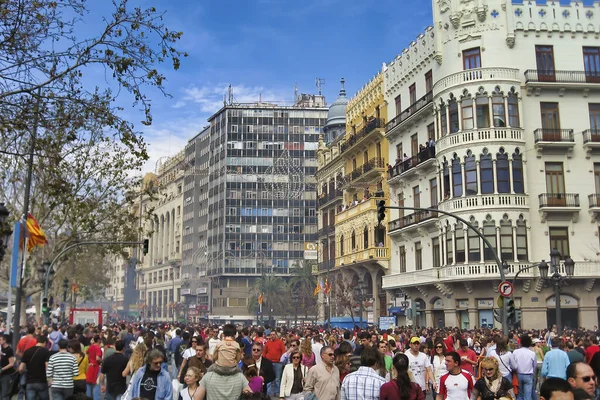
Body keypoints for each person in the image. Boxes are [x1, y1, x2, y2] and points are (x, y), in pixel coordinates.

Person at [19, 334, 50, 400]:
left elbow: (20, 368)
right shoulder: (45, 351)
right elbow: (48, 366)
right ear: (44, 342)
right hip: (41, 381)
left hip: (30, 382)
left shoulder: (27, 351)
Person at [513, 335, 537, 400]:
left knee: (519, 395)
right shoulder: (532, 353)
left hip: (518, 374)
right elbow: (534, 365)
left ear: (521, 343)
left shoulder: (515, 352)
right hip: (528, 375)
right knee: (528, 395)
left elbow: (513, 363)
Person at [263, 330, 285, 397]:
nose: (272, 336)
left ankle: (277, 392)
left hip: (278, 363)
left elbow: (283, 352)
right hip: (269, 362)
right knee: (269, 378)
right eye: (271, 334)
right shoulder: (268, 342)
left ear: (276, 335)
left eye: (273, 334)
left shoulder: (280, 342)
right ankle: (268, 393)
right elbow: (264, 352)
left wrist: (281, 360)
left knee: (277, 379)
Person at [86, 335, 102, 400]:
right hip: (96, 367)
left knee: (88, 384)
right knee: (96, 385)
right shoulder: (98, 348)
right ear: (98, 340)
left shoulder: (90, 347)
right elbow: (97, 358)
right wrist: (102, 361)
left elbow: (86, 354)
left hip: (90, 366)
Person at [0, 334, 16, 400]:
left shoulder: (9, 350)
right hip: (1, 374)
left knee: (5, 394)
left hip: (6, 374)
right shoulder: (1, 349)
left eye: (0, 340)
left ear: (4, 340)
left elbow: (11, 363)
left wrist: (2, 369)